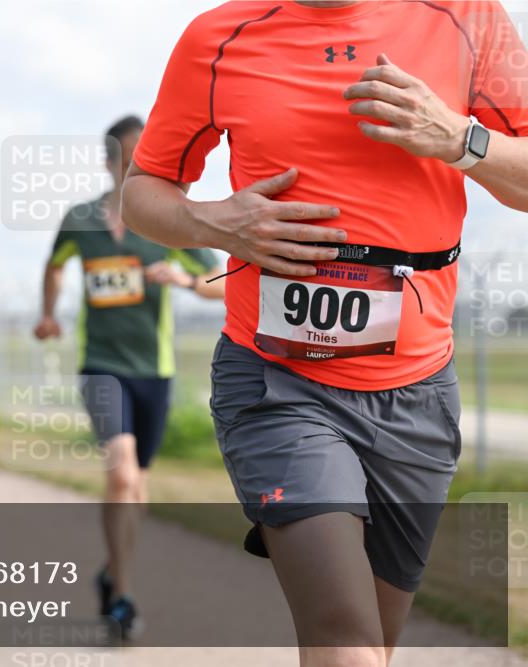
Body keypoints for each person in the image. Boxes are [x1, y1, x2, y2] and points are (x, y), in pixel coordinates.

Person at [121, 1, 527, 665]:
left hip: (417, 392)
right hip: (278, 383)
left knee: (373, 642)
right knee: (344, 641)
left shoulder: (468, 17)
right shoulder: (220, 36)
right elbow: (144, 189)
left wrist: (460, 139)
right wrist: (216, 223)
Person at [34, 115, 225, 638]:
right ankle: (123, 595)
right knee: (121, 475)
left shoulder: (165, 219)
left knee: (136, 486)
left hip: (153, 371)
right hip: (101, 364)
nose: (138, 163)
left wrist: (183, 278)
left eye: (146, 153)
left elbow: (221, 280)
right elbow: (54, 265)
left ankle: (111, 573)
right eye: (128, 154)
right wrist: (48, 313)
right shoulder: (79, 219)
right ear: (109, 160)